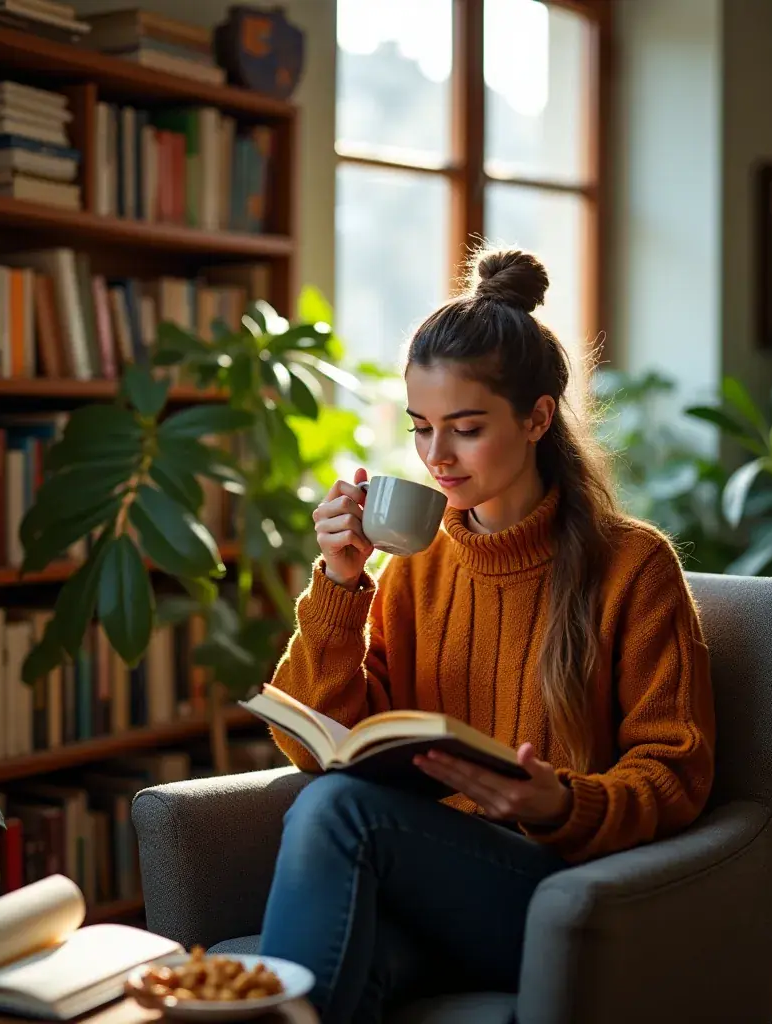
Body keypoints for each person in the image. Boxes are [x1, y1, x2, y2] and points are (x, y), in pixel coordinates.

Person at [256, 249, 716, 1023]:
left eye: (465, 429)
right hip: (435, 890)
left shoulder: (633, 567)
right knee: (343, 976)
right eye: (422, 429)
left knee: (339, 812)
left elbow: (677, 774)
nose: (437, 457)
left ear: (537, 418)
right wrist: (339, 584)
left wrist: (558, 801)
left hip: (561, 889)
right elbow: (317, 748)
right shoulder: (414, 565)